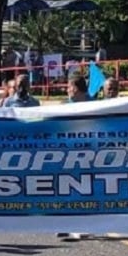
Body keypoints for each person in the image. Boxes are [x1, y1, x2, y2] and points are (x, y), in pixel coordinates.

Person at [57, 74, 92, 241]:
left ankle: (83, 226)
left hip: (90, 154)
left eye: (69, 87)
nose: (67, 90)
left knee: (85, 189)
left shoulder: (96, 105)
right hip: (67, 154)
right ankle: (66, 224)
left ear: (76, 88)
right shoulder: (65, 105)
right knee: (65, 188)